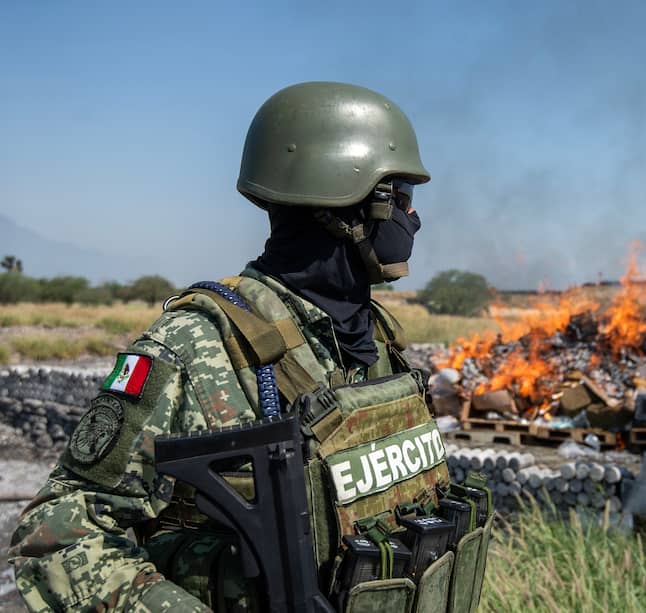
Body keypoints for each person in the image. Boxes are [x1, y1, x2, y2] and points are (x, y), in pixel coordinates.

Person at [9, 82, 492, 612]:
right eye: (399, 197)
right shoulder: (196, 346)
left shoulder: (376, 337)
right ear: (341, 201)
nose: (411, 218)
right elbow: (57, 535)